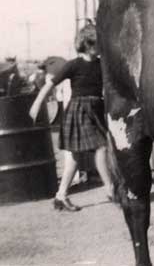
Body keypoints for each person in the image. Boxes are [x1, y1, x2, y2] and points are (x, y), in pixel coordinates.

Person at [29, 22, 114, 212]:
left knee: (76, 157)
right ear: (87, 44)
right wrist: (36, 104)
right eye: (97, 44)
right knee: (100, 147)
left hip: (96, 109)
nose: (100, 48)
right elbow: (49, 85)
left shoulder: (102, 65)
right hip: (79, 110)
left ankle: (60, 196)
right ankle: (110, 189)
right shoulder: (73, 65)